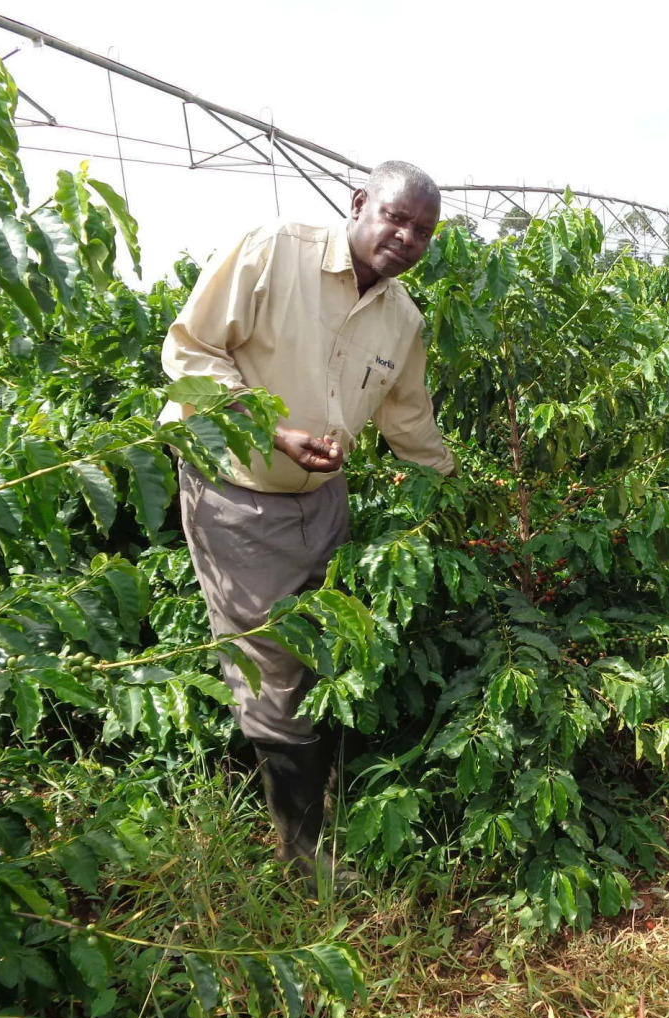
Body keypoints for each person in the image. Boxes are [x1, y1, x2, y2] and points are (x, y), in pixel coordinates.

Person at [160, 161, 455, 886]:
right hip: (236, 489)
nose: (406, 237)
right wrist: (267, 429)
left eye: (422, 231)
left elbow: (409, 420)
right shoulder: (271, 251)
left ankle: (325, 812)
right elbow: (190, 352)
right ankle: (301, 856)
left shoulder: (402, 316)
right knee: (273, 668)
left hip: (323, 499)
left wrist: (461, 493)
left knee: (331, 653)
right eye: (395, 217)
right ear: (359, 204)